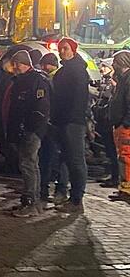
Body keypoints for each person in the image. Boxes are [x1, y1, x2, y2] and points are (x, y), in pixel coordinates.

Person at [5, 50, 51, 217]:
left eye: (16, 64)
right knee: (29, 164)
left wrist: (30, 127)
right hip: (25, 129)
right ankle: (32, 199)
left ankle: (31, 201)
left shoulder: (36, 81)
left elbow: (41, 108)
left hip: (31, 131)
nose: (14, 68)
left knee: (28, 164)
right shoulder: (23, 81)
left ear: (21, 63)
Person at [50, 37, 90, 214]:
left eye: (65, 48)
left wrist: (69, 119)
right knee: (66, 158)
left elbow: (77, 99)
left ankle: (76, 199)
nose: (62, 52)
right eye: (60, 49)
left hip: (72, 121)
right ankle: (66, 193)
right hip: (63, 121)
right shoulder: (64, 71)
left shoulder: (78, 71)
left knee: (75, 160)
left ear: (73, 49)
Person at [37, 51, 70, 205]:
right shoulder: (53, 77)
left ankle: (51, 188)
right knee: (52, 157)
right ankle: (53, 188)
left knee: (49, 157)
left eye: (45, 65)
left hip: (53, 124)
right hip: (56, 123)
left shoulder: (53, 78)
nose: (43, 67)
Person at [109, 50, 130, 201]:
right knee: (122, 157)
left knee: (126, 157)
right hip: (119, 124)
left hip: (125, 126)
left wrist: (126, 123)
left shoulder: (128, 79)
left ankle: (127, 189)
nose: (113, 65)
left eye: (115, 61)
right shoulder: (123, 79)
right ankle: (124, 188)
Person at [95, 60, 118, 188]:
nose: (102, 69)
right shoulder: (105, 81)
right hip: (103, 120)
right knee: (108, 150)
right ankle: (111, 173)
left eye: (105, 66)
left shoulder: (116, 82)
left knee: (114, 150)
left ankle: (116, 176)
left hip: (110, 121)